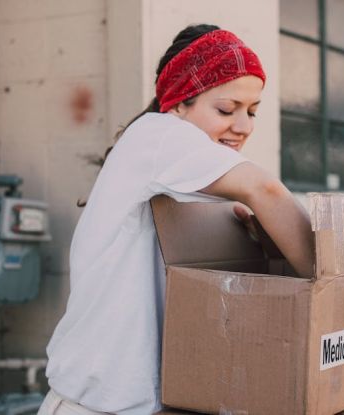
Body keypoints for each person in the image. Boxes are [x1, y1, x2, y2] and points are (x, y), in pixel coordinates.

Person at [38, 24, 314, 415]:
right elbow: (268, 191)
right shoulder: (157, 134)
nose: (244, 126)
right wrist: (335, 294)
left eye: (252, 111)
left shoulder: (197, 180)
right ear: (179, 103)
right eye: (226, 109)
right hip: (94, 406)